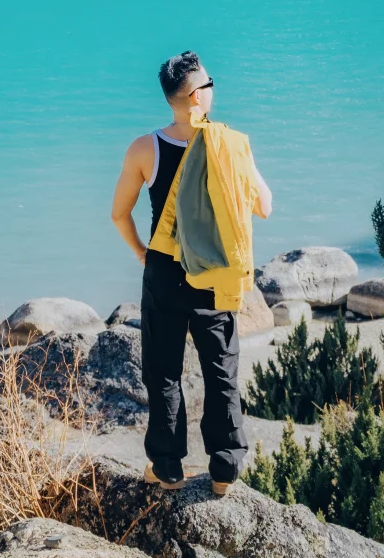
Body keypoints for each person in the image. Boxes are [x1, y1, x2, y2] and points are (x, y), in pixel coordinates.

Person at [110, 51, 273, 495]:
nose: (213, 89)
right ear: (197, 96)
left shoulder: (144, 148)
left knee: (163, 370)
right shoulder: (230, 145)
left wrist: (142, 253)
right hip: (213, 270)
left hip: (164, 269)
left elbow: (118, 214)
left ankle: (168, 468)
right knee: (220, 368)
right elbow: (265, 205)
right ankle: (224, 470)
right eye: (209, 83)